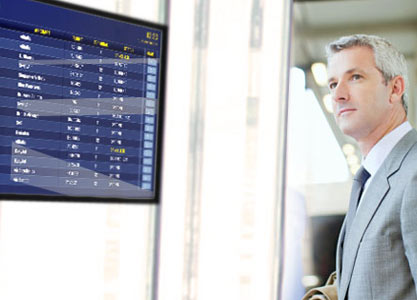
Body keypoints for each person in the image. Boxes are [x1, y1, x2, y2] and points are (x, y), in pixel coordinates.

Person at [326, 34, 417, 299]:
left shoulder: (413, 172)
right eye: (332, 84)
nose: (338, 95)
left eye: (355, 77)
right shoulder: (369, 179)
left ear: (395, 88)